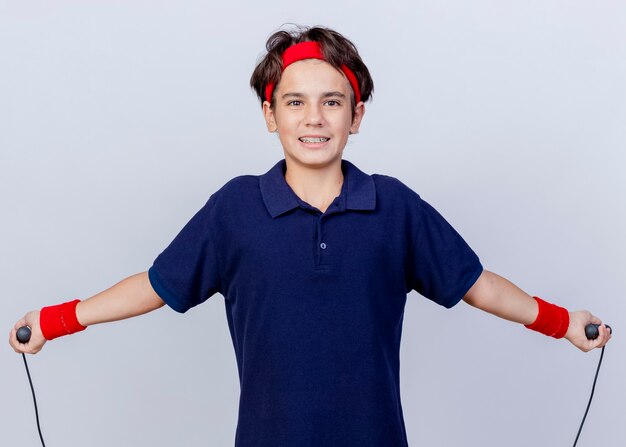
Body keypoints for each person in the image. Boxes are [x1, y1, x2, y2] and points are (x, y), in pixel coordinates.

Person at [9, 25, 612, 447]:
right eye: (295, 102)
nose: (314, 118)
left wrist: (562, 322)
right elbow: (156, 284)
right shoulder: (236, 208)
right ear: (270, 115)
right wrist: (58, 319)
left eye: (332, 102)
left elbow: (476, 285)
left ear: (357, 114)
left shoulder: (394, 206)